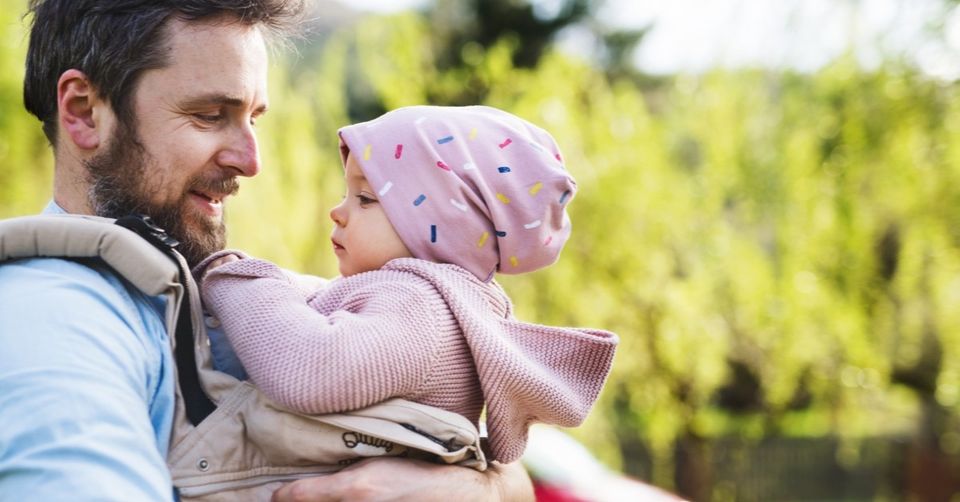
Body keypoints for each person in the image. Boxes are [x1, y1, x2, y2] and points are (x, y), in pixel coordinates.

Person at [0, 1, 534, 500]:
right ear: (84, 111)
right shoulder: (52, 321)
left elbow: (499, 456)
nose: (251, 160)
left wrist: (486, 489)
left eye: (253, 118)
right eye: (210, 114)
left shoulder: (219, 293)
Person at [196, 105, 619, 467]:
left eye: (365, 199)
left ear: (442, 226)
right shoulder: (434, 300)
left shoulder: (421, 305)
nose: (337, 212)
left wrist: (238, 278)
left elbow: (312, 369)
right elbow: (319, 302)